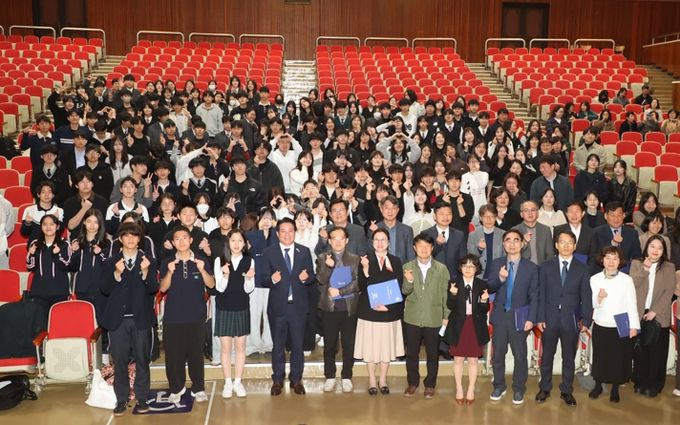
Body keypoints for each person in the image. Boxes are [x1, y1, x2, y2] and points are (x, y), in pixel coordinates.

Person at [101, 223, 157, 416]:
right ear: (120, 239)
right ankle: (121, 399)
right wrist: (116, 274)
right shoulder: (111, 261)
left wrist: (146, 273)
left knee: (142, 359)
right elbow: (104, 288)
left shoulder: (148, 260)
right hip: (118, 320)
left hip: (141, 319)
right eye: (126, 235)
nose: (131, 239)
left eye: (134, 235)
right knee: (120, 361)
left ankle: (142, 398)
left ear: (139, 239)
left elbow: (153, 288)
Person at [535, 230, 593, 406]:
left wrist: (586, 320)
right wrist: (540, 317)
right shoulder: (546, 266)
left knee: (569, 357)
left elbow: (586, 297)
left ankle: (566, 390)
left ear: (574, 246)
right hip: (549, 319)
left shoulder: (583, 268)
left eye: (570, 243)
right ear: (556, 245)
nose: (566, 245)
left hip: (571, 320)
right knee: (547, 356)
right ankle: (544, 388)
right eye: (562, 242)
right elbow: (541, 294)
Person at [158, 226, 215, 403]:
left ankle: (198, 388)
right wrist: (170, 271)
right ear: (173, 243)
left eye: (185, 238)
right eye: (177, 238)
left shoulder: (201, 260)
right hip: (173, 317)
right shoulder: (167, 262)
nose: (181, 241)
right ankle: (176, 388)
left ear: (191, 240)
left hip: (196, 316)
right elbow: (163, 288)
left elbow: (211, 284)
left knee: (196, 354)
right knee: (173, 355)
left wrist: (202, 270)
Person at [261, 218, 315, 396]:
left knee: (298, 346)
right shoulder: (269, 252)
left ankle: (296, 380)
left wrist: (306, 278)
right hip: (278, 307)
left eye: (290, 230)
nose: (287, 234)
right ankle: (277, 380)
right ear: (277, 234)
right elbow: (263, 278)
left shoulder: (304, 251)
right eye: (283, 231)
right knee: (278, 346)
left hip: (298, 307)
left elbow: (311, 276)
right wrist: (272, 279)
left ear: (295, 232)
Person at [487, 229, 539, 405]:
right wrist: (500, 279)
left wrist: (531, 319)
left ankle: (518, 388)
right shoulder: (496, 264)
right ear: (503, 244)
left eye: (516, 240)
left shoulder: (531, 268)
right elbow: (489, 287)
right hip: (500, 316)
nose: (512, 243)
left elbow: (535, 296)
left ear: (522, 244)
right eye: (508, 240)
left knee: (520, 355)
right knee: (498, 354)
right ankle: (499, 386)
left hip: (520, 318)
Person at [355, 228, 404, 395]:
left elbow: (399, 287)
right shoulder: (365, 260)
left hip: (389, 311)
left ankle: (382, 379)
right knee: (370, 347)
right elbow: (361, 286)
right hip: (369, 311)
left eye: (383, 239)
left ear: (388, 242)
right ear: (372, 242)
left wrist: (389, 307)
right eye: (377, 239)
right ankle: (371, 379)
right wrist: (365, 270)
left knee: (386, 348)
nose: (380, 243)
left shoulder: (396, 261)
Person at [402, 233, 451, 399]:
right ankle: (412, 382)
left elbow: (445, 294)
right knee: (411, 353)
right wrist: (409, 281)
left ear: (432, 248)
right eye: (420, 246)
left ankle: (430, 384)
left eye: (427, 246)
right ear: (414, 248)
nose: (423, 249)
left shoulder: (441, 269)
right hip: (412, 317)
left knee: (432, 354)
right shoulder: (407, 266)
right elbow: (405, 291)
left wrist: (446, 315)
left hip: (434, 317)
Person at [589, 246, 640, 403]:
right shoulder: (595, 279)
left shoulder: (626, 280)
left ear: (620, 261)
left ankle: (615, 388)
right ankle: (598, 385)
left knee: (618, 358)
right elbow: (593, 304)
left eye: (615, 258)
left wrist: (634, 326)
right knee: (600, 356)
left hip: (621, 322)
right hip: (601, 321)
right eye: (608, 258)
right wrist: (599, 298)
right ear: (602, 260)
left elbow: (632, 304)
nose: (611, 261)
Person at [630, 235, 676, 398]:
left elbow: (669, 292)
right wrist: (645, 269)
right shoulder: (637, 263)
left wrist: (654, 311)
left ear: (664, 251)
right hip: (639, 314)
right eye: (652, 246)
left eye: (659, 247)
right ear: (646, 248)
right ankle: (639, 382)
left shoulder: (669, 267)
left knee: (657, 352)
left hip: (659, 315)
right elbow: (632, 285)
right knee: (640, 351)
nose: (655, 250)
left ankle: (654, 384)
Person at [316, 226, 361, 393]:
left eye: (341, 238)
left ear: (346, 240)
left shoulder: (355, 259)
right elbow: (320, 280)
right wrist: (328, 267)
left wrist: (341, 291)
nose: (338, 241)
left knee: (349, 344)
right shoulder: (322, 257)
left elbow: (358, 282)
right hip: (330, 308)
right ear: (329, 240)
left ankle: (347, 375)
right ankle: (330, 376)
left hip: (349, 308)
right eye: (334, 238)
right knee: (330, 344)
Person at [213, 229, 255, 398]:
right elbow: (219, 288)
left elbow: (249, 289)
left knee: (240, 347)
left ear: (244, 244)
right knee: (225, 348)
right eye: (233, 240)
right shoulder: (220, 260)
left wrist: (249, 278)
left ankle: (238, 382)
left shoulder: (250, 260)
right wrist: (225, 275)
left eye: (240, 241)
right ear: (228, 243)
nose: (236, 244)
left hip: (241, 306)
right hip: (224, 307)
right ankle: (227, 383)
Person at [444, 254, 490, 405]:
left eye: (471, 266)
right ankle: (459, 388)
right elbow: (450, 306)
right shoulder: (454, 283)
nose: (468, 269)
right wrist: (453, 294)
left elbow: (484, 310)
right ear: (460, 268)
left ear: (476, 268)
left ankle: (470, 389)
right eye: (465, 266)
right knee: (458, 358)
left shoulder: (482, 284)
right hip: (458, 324)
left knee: (473, 360)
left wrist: (484, 301)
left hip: (475, 325)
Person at [26, 214, 72, 320]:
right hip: (39, 291)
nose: (48, 227)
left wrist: (58, 254)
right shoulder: (35, 244)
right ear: (41, 227)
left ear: (57, 226)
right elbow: (30, 266)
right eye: (45, 224)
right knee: (40, 324)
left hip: (59, 292)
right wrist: (31, 254)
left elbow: (67, 265)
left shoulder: (64, 244)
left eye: (51, 224)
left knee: (58, 322)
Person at [421, 202, 467, 280]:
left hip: (454, 279)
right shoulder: (426, 234)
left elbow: (463, 259)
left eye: (449, 214)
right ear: (434, 216)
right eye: (442, 214)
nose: (445, 217)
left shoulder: (459, 235)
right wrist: (437, 244)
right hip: (432, 279)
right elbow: (423, 257)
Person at [592, 202, 642, 270]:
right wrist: (613, 244)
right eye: (612, 215)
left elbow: (637, 257)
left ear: (624, 215)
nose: (616, 219)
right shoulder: (596, 233)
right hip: (603, 271)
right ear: (606, 216)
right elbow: (595, 256)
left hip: (626, 271)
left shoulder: (632, 233)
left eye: (619, 215)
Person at [467, 205, 504, 279]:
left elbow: (505, 257)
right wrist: (479, 249)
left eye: (492, 216)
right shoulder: (473, 235)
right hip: (479, 276)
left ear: (495, 218)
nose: (489, 219)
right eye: (485, 216)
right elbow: (470, 258)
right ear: (480, 218)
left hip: (498, 275)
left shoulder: (503, 234)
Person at [375, 195, 415, 263]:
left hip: (401, 267)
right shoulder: (375, 229)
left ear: (397, 210)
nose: (390, 211)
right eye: (387, 208)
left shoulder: (407, 230)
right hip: (379, 268)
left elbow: (410, 255)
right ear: (381, 210)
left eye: (393, 208)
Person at [514, 200, 554, 265]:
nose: (530, 213)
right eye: (526, 210)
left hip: (541, 268)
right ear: (521, 214)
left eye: (533, 210)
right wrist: (524, 243)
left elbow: (550, 254)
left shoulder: (545, 229)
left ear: (537, 213)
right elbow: (512, 253)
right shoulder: (515, 230)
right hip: (522, 268)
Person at [607, 160, 637, 224]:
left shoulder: (631, 184)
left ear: (625, 169)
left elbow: (632, 202)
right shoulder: (609, 183)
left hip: (626, 216)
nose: (617, 169)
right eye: (615, 167)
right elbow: (608, 202)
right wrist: (613, 214)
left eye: (620, 167)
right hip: (613, 216)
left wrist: (625, 214)